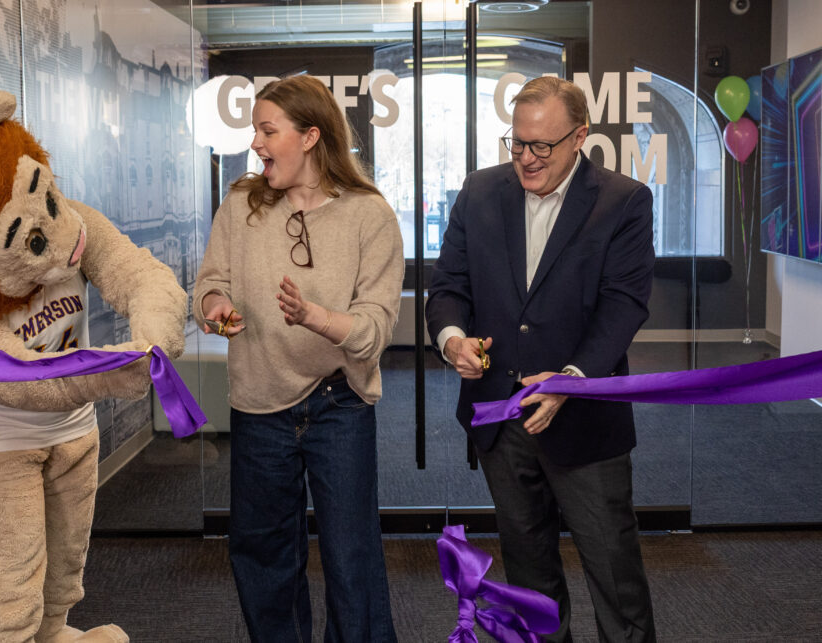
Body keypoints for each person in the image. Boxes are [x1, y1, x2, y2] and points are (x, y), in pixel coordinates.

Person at [425, 76, 656, 642]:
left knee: (614, 575)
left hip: (585, 421)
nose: (526, 159)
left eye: (541, 146)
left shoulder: (621, 201)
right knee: (529, 576)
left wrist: (574, 380)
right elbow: (449, 284)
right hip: (501, 419)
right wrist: (454, 338)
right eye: (517, 143)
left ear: (580, 137)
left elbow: (623, 305)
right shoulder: (479, 192)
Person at [194, 74, 403, 642]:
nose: (255, 143)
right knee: (262, 554)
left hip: (340, 403)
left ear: (310, 136)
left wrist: (316, 317)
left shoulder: (371, 216)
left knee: (351, 556)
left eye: (267, 130)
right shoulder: (241, 204)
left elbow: (376, 328)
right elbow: (211, 281)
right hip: (260, 400)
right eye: (254, 131)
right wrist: (216, 307)